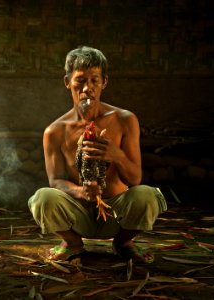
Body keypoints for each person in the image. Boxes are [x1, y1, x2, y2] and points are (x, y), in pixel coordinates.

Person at [28, 46, 167, 263]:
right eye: (80, 80)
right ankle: (72, 243)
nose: (87, 88)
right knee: (42, 198)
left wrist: (116, 155)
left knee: (147, 196)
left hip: (116, 213)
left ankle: (123, 242)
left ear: (104, 82)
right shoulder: (54, 131)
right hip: (78, 213)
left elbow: (134, 179)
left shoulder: (125, 120)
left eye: (94, 80)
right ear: (67, 82)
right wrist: (81, 192)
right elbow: (55, 181)